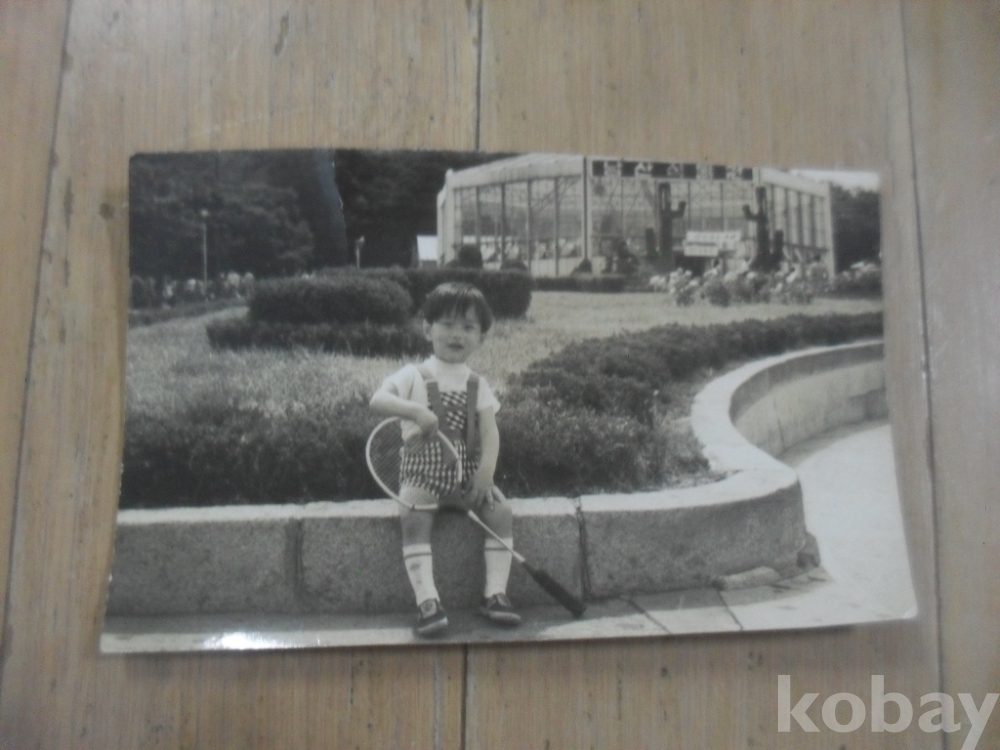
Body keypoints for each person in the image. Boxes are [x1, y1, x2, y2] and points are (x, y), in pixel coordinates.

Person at [370, 282, 521, 636]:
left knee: (501, 511)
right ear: (427, 329)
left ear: (481, 337)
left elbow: (490, 432)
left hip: (467, 477)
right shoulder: (413, 375)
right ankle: (427, 601)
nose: (457, 335)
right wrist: (414, 411)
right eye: (448, 325)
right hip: (422, 476)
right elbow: (378, 400)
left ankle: (495, 593)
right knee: (413, 516)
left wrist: (485, 472)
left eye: (468, 327)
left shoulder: (477, 383)